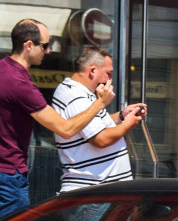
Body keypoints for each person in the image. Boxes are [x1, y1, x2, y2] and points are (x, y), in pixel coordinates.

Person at [0, 19, 117, 220]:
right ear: (29, 45)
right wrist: (99, 103)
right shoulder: (20, 84)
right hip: (8, 175)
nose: (48, 51)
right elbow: (65, 129)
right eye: (45, 45)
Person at [51, 46, 146, 192]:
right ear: (92, 70)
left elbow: (97, 125)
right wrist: (128, 124)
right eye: (108, 73)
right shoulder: (76, 96)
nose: (110, 79)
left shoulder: (81, 93)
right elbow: (101, 139)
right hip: (94, 192)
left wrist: (122, 116)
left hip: (98, 191)